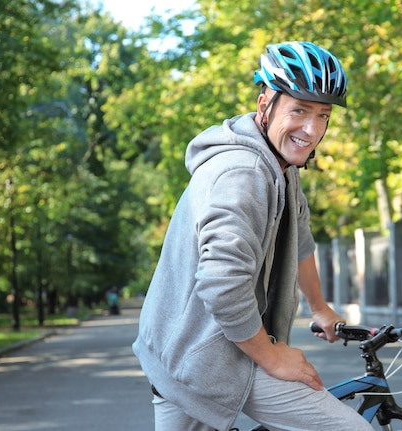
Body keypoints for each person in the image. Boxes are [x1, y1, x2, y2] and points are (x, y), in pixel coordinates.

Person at [132, 41, 374, 431]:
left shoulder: (282, 166)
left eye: (323, 115)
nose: (312, 130)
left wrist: (320, 308)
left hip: (186, 352)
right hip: (207, 356)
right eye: (299, 110)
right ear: (265, 104)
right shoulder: (243, 174)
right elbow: (222, 285)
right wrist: (273, 357)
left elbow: (301, 241)